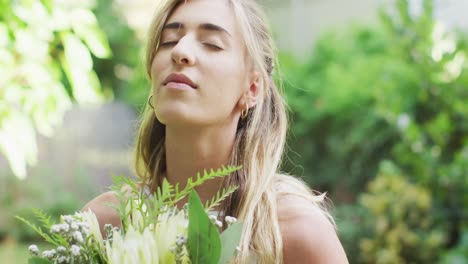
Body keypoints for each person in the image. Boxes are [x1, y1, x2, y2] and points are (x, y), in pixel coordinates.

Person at [83, 0, 349, 263]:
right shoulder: (105, 223)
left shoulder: (296, 234)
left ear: (252, 89)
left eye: (211, 43)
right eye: (168, 41)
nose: (180, 51)